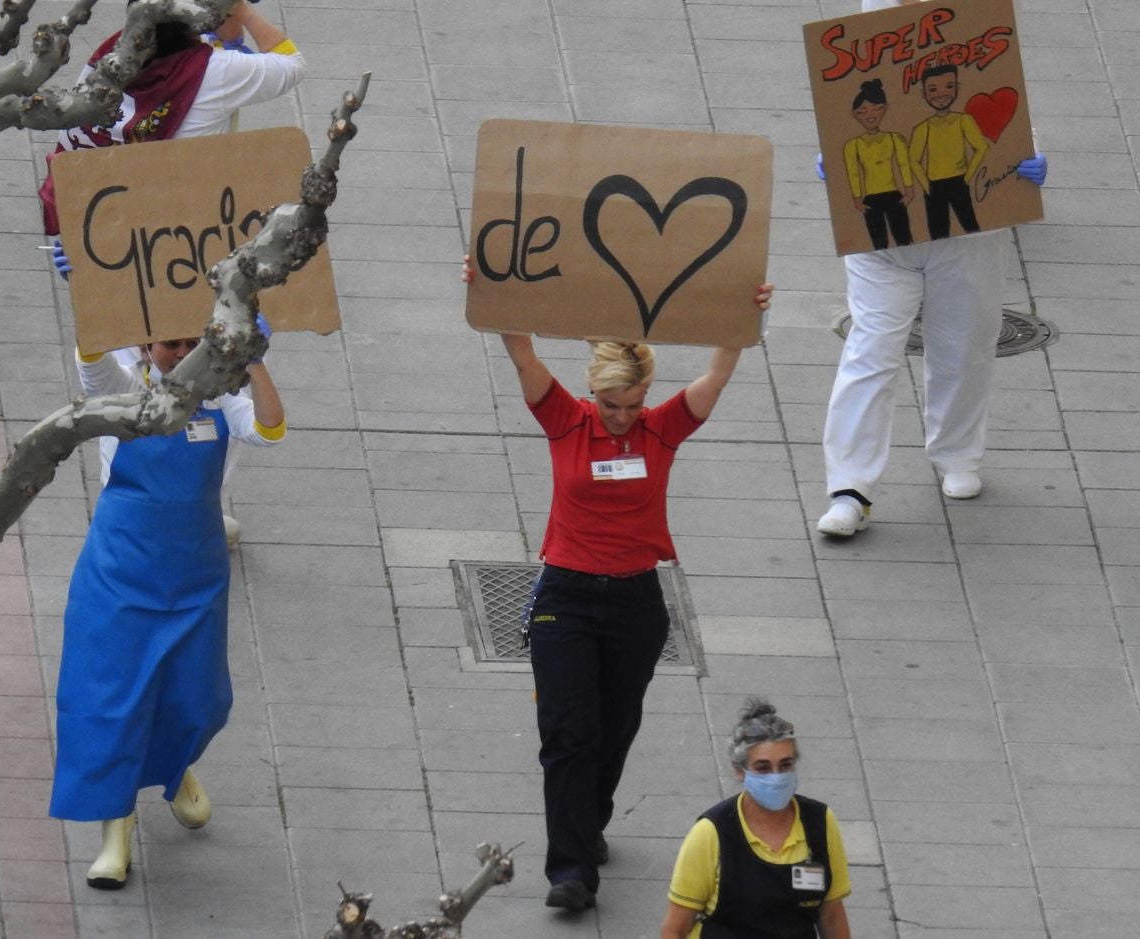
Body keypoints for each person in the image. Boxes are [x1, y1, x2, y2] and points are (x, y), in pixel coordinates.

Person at [464, 259, 774, 912]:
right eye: (611, 405)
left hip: (636, 603)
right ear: (593, 394)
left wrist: (748, 315)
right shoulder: (566, 420)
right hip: (565, 600)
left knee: (613, 726)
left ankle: (589, 816)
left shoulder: (662, 428)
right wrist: (488, 286)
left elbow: (717, 374)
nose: (621, 417)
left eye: (632, 405)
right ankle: (570, 870)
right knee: (568, 732)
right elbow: (520, 350)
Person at [42, 1, 302, 544]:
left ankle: (152, 497)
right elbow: (290, 62)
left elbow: (76, 146)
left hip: (119, 249)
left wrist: (80, 259)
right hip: (197, 250)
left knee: (135, 378)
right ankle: (141, 501)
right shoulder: (223, 71)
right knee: (186, 381)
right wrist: (248, 16)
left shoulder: (110, 58)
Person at [52, 321, 285, 889]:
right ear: (142, 346)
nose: (181, 355)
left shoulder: (223, 395)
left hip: (194, 573)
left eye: (190, 343)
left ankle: (174, 768)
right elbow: (91, 360)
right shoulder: (122, 385)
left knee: (193, 698)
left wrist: (252, 359)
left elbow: (270, 430)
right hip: (119, 571)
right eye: (169, 345)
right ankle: (117, 833)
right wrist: (93, 296)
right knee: (112, 701)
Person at [816, 0, 1048, 537]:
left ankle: (957, 453)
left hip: (966, 241)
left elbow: (1003, 124)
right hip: (882, 245)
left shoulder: (975, 31)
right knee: (869, 353)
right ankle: (849, 487)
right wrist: (830, 160)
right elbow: (844, 111)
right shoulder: (864, 39)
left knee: (965, 343)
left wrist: (1027, 163)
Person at [660, 698, 851, 939]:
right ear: (740, 771)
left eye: (785, 765)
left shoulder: (820, 822)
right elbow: (675, 928)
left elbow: (831, 913)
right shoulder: (712, 832)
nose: (776, 776)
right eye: (763, 767)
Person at [908, 63, 989, 239]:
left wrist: (966, 178)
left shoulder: (964, 120)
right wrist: (927, 186)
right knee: (938, 232)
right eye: (932, 89)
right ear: (923, 93)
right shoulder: (923, 127)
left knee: (971, 226)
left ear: (958, 88)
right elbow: (913, 159)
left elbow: (981, 147)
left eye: (949, 86)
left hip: (958, 181)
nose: (941, 94)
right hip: (934, 185)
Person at [843, 78, 914, 250]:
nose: (870, 115)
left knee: (904, 238)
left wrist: (909, 191)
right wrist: (857, 200)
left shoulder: (895, 138)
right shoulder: (852, 145)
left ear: (885, 108)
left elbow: (904, 164)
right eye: (862, 111)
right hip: (871, 199)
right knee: (878, 242)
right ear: (854, 114)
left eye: (877, 108)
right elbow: (853, 173)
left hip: (894, 195)